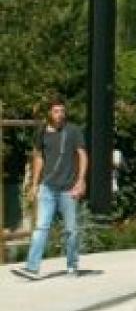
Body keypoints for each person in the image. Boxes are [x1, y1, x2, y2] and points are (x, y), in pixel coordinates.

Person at [11, 98, 87, 280]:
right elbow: (39, 159)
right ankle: (32, 267)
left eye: (62, 111)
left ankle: (72, 266)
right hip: (47, 187)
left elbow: (82, 155)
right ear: (49, 114)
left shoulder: (73, 131)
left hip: (68, 188)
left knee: (71, 230)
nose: (60, 114)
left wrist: (81, 180)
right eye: (56, 111)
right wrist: (35, 185)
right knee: (41, 227)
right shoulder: (42, 132)